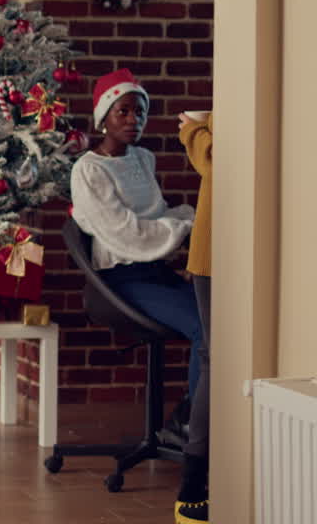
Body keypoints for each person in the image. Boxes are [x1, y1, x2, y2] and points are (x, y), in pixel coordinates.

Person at [69, 69, 210, 524]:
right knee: (206, 327)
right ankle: (189, 425)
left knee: (220, 314)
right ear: (103, 118)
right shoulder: (89, 170)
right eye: (123, 111)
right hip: (123, 279)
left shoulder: (144, 159)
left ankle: (188, 418)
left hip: (155, 268)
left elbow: (157, 215)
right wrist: (184, 226)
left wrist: (180, 228)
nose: (134, 120)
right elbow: (125, 234)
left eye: (141, 111)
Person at [176, 110, 213, 524]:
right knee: (214, 358)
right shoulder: (209, 126)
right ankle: (192, 485)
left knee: (214, 357)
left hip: (225, 249)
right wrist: (195, 131)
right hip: (213, 253)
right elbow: (215, 161)